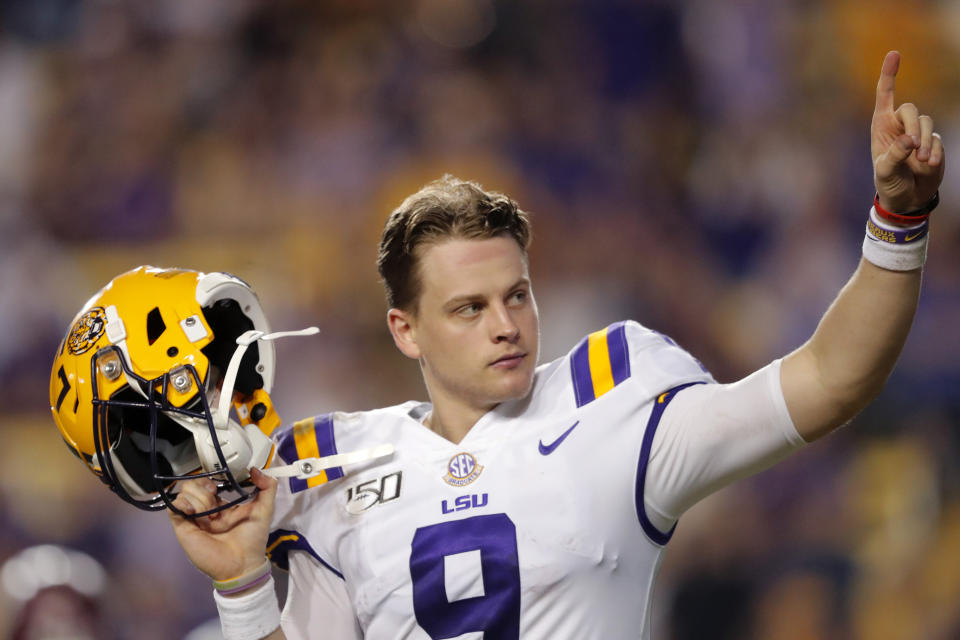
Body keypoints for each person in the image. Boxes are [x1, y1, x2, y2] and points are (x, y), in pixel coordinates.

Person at [48, 51, 944, 640]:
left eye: (516, 294)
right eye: (468, 308)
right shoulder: (327, 468)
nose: (507, 324)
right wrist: (243, 588)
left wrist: (897, 219)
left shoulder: (617, 397)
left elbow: (829, 380)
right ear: (406, 329)